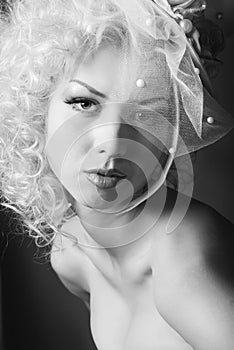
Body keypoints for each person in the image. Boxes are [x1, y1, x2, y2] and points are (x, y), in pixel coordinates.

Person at [0, 0, 233, 349]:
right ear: (37, 105)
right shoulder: (72, 255)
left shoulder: (185, 261)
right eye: (84, 103)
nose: (111, 143)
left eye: (145, 114)